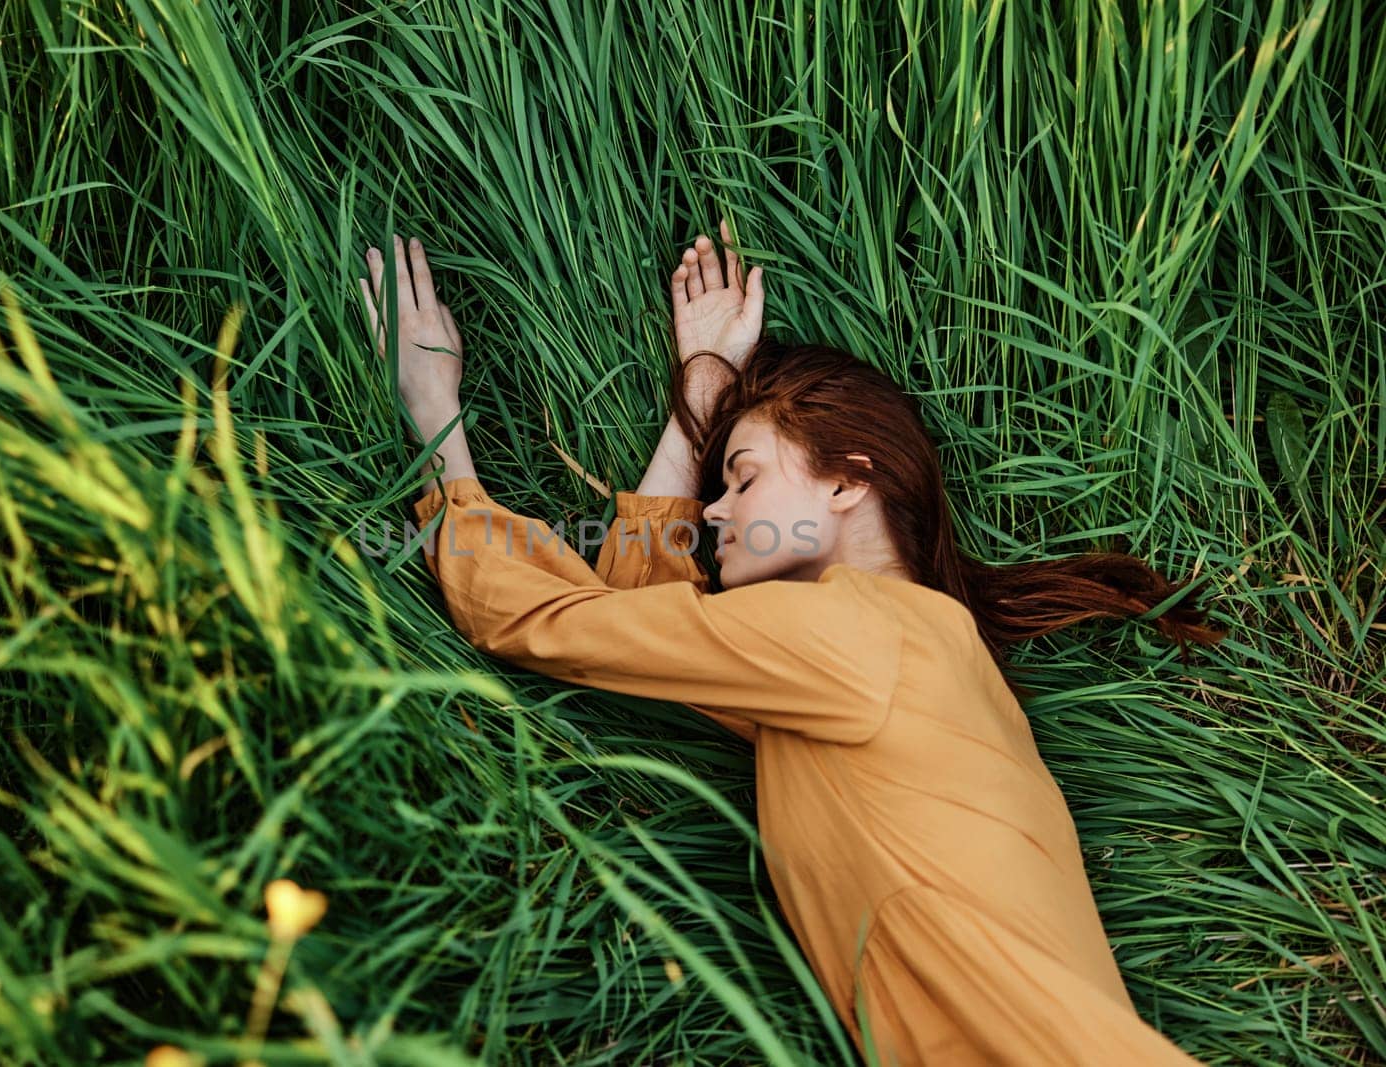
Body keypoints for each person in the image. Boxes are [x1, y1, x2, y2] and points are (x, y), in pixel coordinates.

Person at [357, 224, 1223, 1065]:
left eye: (743, 478)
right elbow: (640, 620)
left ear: (848, 480)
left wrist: (437, 423)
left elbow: (553, 620)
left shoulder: (851, 635)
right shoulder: (897, 655)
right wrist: (705, 394)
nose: (715, 510)